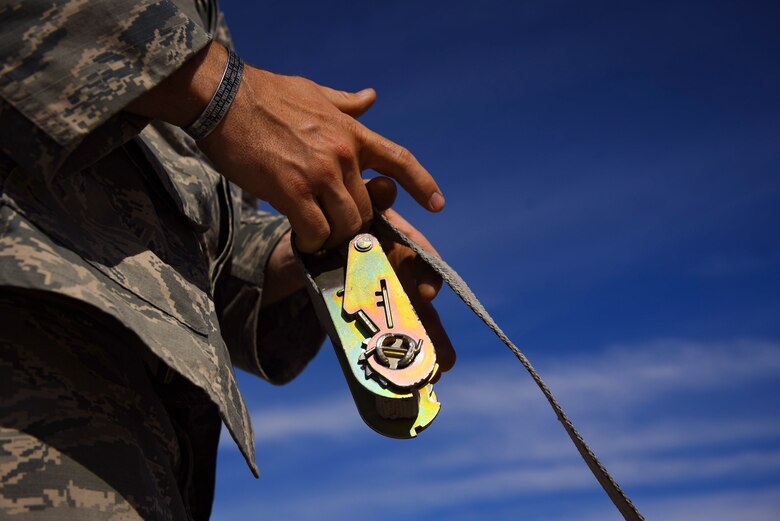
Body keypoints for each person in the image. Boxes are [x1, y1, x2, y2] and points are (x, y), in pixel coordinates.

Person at [0, 0, 454, 519]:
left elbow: (205, 250)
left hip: (151, 434)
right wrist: (220, 90)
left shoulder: (204, 13)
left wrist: (312, 248)